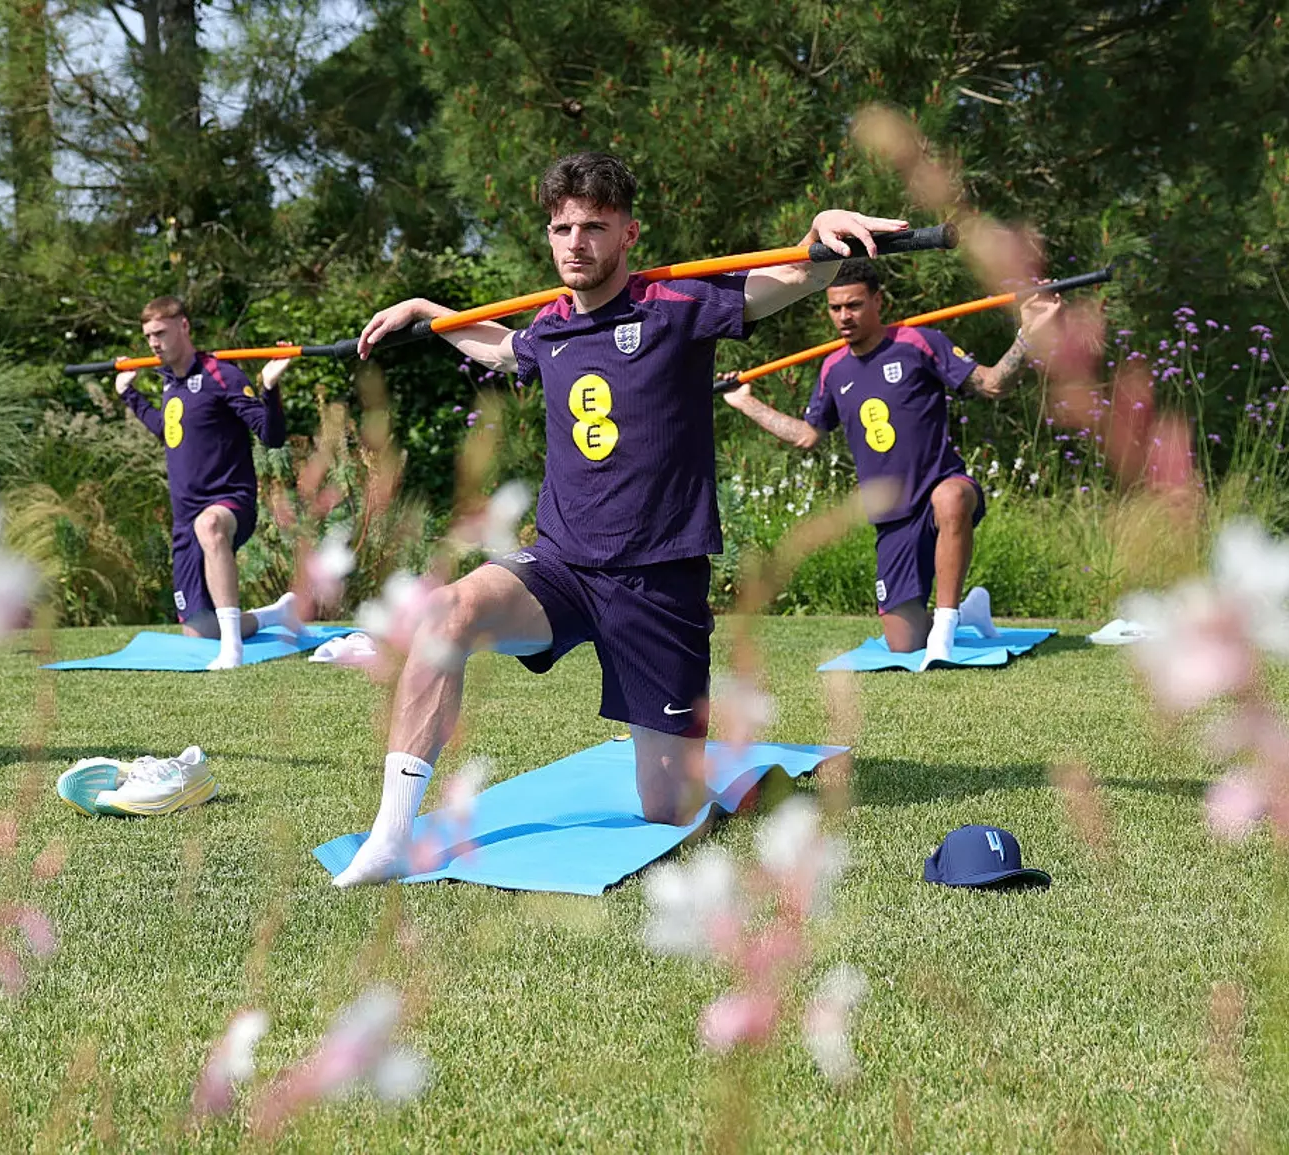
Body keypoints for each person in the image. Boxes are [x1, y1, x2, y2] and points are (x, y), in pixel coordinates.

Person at [334, 151, 907, 887]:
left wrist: (820, 240)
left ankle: (727, 777)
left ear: (628, 234)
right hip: (563, 565)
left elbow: (788, 281)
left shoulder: (679, 306)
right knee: (447, 613)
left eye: (594, 227)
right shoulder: (549, 327)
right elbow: (506, 350)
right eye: (562, 227)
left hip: (658, 581)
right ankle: (391, 835)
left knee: (667, 809)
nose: (576, 242)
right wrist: (426, 313)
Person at [722, 259, 1060, 669]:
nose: (844, 317)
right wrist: (746, 402)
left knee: (952, 497)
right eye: (835, 308)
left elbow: (991, 384)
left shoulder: (920, 343)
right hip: (892, 518)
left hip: (941, 486)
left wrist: (1027, 336)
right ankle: (968, 612)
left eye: (855, 305)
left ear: (878, 300)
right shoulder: (833, 369)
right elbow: (807, 436)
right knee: (901, 643)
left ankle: (947, 629)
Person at [115, 297, 302, 669]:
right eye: (148, 336)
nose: (153, 343)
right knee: (199, 630)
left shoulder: (222, 375)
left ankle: (232, 650)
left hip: (230, 501)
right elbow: (170, 434)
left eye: (161, 333)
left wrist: (269, 386)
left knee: (210, 524)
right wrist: (130, 396)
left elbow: (271, 435)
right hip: (184, 521)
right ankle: (273, 615)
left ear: (183, 326)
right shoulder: (170, 383)